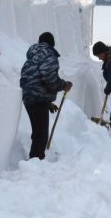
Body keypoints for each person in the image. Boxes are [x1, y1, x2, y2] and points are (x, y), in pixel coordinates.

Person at [19, 32, 72, 160]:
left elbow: (33, 78)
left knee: (38, 131)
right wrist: (63, 85)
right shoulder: (49, 55)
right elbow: (48, 76)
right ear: (52, 44)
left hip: (29, 97)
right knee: (41, 134)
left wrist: (47, 102)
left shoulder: (33, 56)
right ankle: (35, 161)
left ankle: (35, 161)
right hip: (38, 97)